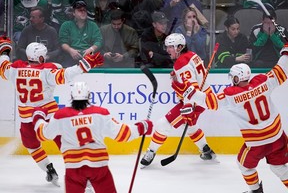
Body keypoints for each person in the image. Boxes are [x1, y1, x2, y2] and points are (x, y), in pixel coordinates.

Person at [171, 46, 288, 192]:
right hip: (278, 137)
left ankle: (256, 190)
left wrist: (189, 92)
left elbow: (210, 102)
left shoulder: (232, 96)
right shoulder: (264, 82)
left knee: (244, 166)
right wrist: (286, 51)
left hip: (256, 143)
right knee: (279, 168)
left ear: (237, 78)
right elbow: (281, 70)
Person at [0, 37, 104, 187]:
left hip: (27, 120)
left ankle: (49, 169)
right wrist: (86, 65)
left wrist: (5, 49)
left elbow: (3, 66)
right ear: (41, 57)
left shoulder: (15, 69)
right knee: (67, 145)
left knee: (32, 146)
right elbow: (66, 75)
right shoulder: (47, 70)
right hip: (50, 117)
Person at [32, 81, 153, 193]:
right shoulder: (100, 113)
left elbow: (43, 135)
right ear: (89, 96)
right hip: (99, 168)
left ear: (72, 97)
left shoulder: (61, 116)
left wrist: (38, 118)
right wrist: (142, 127)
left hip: (73, 170)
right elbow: (123, 134)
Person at [140, 33, 216, 167]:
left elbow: (192, 89)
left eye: (171, 47)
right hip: (204, 98)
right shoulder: (192, 55)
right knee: (190, 127)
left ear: (180, 47)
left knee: (163, 124)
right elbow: (193, 82)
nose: (167, 50)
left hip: (194, 102)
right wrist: (178, 80)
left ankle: (151, 151)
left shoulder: (181, 63)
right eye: (167, 47)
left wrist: (188, 106)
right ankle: (206, 150)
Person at [59, 0, 103, 67]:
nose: (83, 12)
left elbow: (99, 41)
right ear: (74, 13)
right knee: (64, 68)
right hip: (71, 56)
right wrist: (71, 50)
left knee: (100, 66)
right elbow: (63, 43)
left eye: (84, 10)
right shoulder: (66, 25)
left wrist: (91, 49)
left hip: (89, 56)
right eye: (80, 10)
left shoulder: (93, 25)